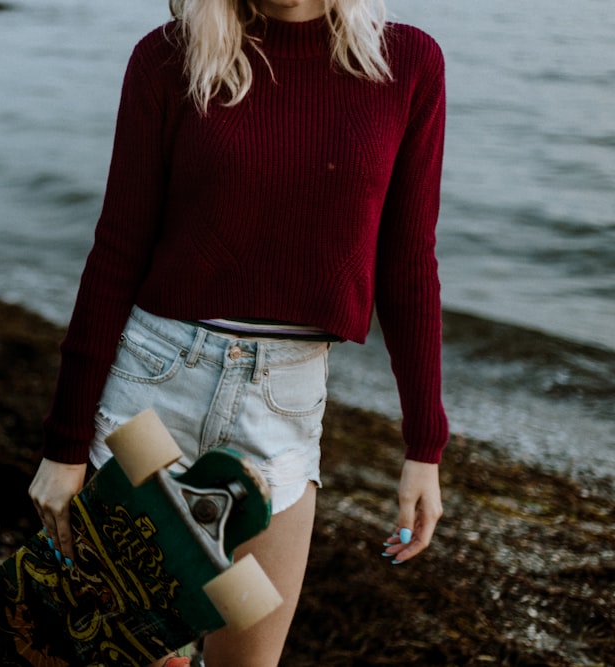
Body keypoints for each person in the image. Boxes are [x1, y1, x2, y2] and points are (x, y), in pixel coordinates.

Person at [29, 0, 448, 664]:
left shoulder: (408, 64)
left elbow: (407, 262)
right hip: (151, 400)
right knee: (129, 652)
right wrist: (65, 445)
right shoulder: (169, 56)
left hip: (282, 411)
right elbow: (117, 250)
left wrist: (424, 443)